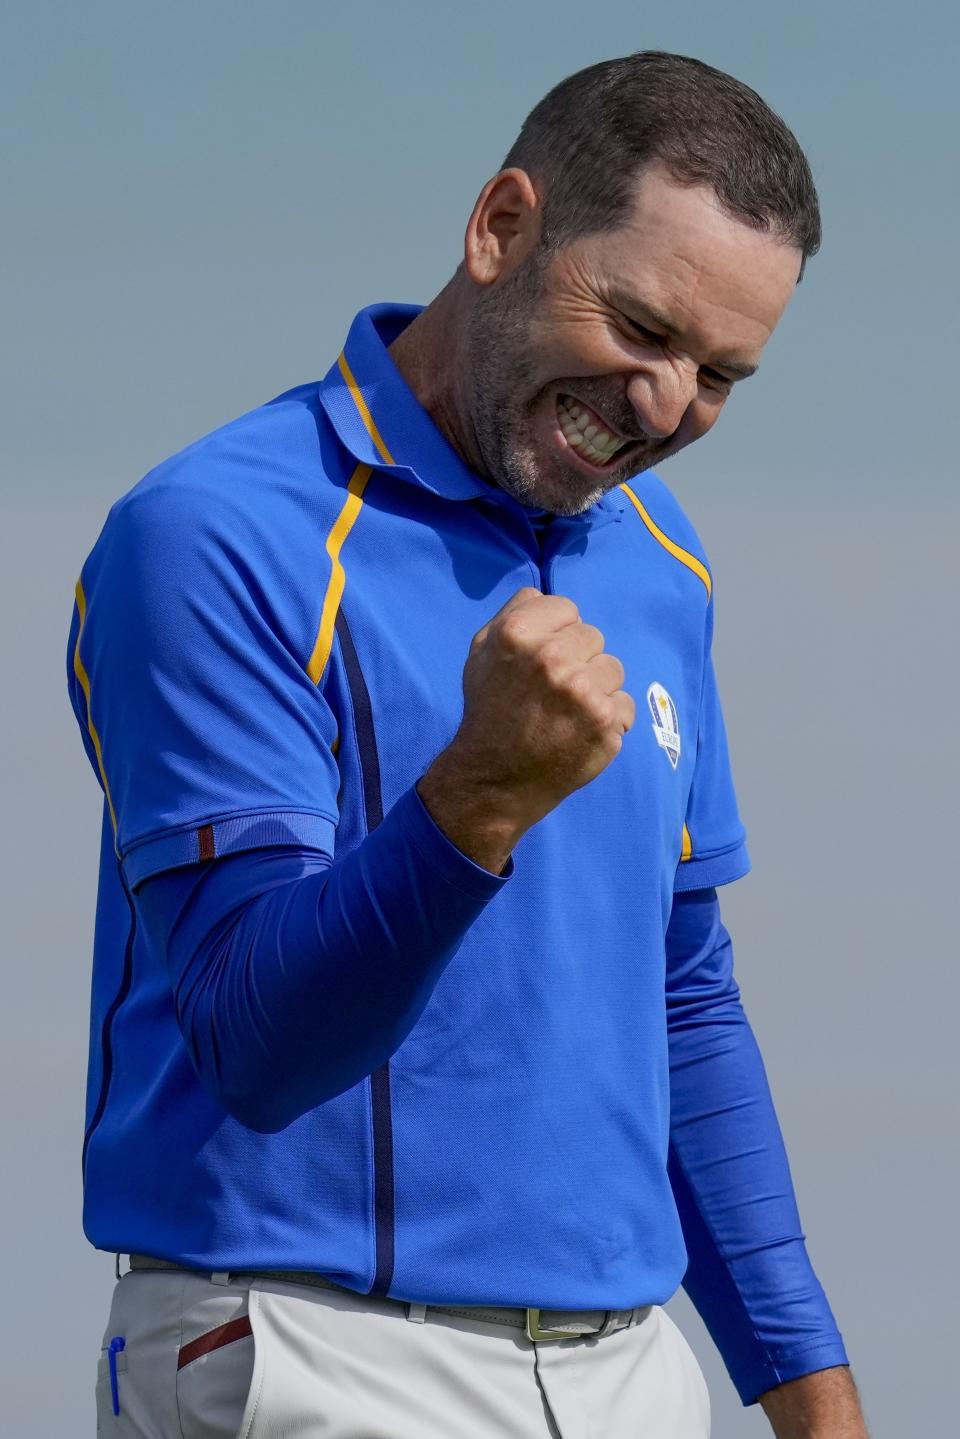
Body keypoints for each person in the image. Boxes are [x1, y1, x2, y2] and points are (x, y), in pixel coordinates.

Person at [67, 50, 869, 1439]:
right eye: (642, 326)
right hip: (313, 1359)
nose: (669, 408)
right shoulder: (215, 536)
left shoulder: (665, 570)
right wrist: (476, 799)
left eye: (720, 374)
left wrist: (814, 1396)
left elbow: (683, 998)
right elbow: (255, 1045)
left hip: (636, 1372)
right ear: (502, 228)